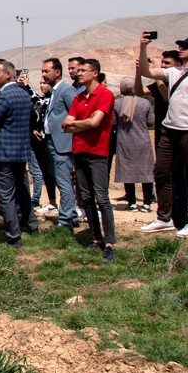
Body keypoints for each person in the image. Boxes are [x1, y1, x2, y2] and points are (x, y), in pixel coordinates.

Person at [138, 35, 188, 236]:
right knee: (161, 172)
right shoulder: (173, 71)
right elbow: (145, 71)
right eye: (180, 46)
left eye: (185, 47)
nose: (180, 49)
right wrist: (143, 46)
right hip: (169, 129)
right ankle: (164, 217)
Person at [62, 59, 117, 261]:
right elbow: (66, 125)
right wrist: (79, 124)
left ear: (95, 73)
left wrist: (77, 124)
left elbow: (96, 122)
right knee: (86, 198)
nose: (78, 73)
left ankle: (110, 242)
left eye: (83, 70)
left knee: (101, 197)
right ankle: (96, 237)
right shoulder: (78, 98)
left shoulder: (105, 94)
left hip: (97, 152)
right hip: (79, 150)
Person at [0, 60, 38, 246]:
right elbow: (31, 118)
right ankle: (31, 224)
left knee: (5, 195)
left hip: (2, 151)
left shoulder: (4, 96)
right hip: (20, 151)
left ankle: (13, 237)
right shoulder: (23, 93)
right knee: (22, 190)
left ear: (8, 74)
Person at [41, 58, 80, 229]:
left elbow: (76, 112)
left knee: (64, 180)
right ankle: (70, 214)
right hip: (52, 141)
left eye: (46, 71)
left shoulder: (66, 90)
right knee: (60, 179)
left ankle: (65, 220)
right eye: (42, 71)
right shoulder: (55, 91)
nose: (43, 74)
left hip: (62, 142)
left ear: (57, 72)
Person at [113, 77, 156, 211]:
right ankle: (147, 202)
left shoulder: (117, 104)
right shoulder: (145, 103)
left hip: (124, 141)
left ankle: (131, 202)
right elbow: (150, 122)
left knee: (127, 172)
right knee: (146, 172)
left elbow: (113, 123)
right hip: (142, 141)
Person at [31, 79, 59, 216]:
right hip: (39, 140)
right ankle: (52, 202)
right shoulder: (42, 98)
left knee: (56, 173)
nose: (42, 85)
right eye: (40, 83)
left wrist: (27, 87)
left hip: (52, 141)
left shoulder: (52, 99)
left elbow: (40, 105)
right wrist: (33, 129)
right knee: (46, 173)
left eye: (45, 83)